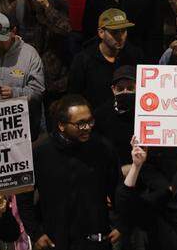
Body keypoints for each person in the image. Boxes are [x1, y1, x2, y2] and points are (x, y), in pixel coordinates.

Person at [16, 95, 120, 250]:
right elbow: (24, 197)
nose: (87, 127)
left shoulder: (102, 148)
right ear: (61, 125)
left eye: (90, 121)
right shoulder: (40, 152)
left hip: (96, 238)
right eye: (80, 124)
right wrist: (36, 233)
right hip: (56, 240)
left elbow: (117, 188)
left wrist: (120, 224)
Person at [67, 9, 141, 109]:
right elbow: (74, 96)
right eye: (114, 32)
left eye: (123, 31)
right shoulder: (84, 59)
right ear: (101, 33)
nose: (120, 36)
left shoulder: (134, 55)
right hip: (95, 119)